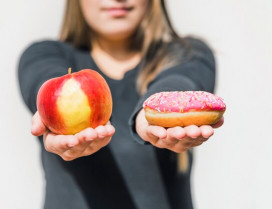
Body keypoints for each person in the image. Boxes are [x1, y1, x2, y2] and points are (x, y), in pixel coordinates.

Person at [18, 0, 223, 209]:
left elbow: (181, 80)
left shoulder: (189, 54)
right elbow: (42, 78)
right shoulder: (43, 55)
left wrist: (152, 114)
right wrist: (55, 110)